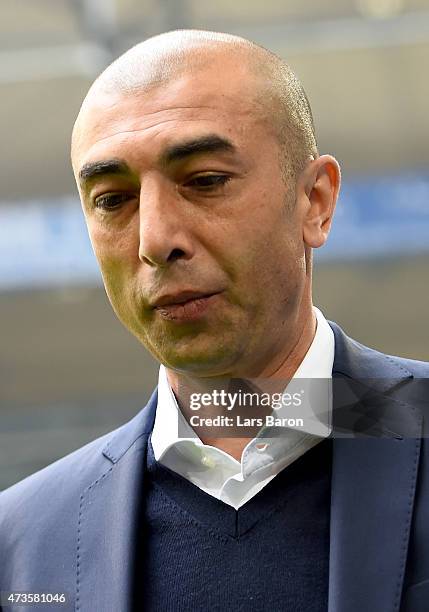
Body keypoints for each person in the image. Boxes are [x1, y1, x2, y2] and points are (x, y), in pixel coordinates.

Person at [0, 29, 428, 612]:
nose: (155, 240)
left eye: (204, 181)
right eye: (112, 199)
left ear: (315, 202)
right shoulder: (21, 544)